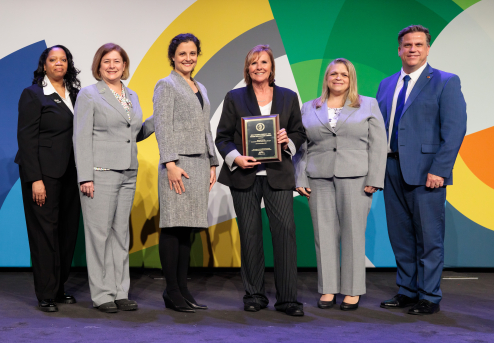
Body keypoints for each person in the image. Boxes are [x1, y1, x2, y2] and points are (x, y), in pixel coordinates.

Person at [376, 25, 467, 315]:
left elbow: (454, 130)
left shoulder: (445, 81)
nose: (412, 49)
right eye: (407, 45)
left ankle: (429, 295)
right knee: (400, 236)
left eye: (418, 44)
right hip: (390, 168)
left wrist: (440, 169)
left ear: (427, 48)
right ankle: (406, 290)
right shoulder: (386, 84)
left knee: (428, 238)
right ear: (399, 49)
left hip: (428, 172)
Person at [215, 45, 306, 316]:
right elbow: (222, 137)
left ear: (271, 67)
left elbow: (299, 133)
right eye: (253, 62)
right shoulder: (235, 97)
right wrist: (236, 158)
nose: (259, 67)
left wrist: (286, 141)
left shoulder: (288, 97)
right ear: (247, 68)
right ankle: (254, 294)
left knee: (285, 235)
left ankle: (288, 298)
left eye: (263, 62)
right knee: (250, 235)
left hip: (278, 174)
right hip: (245, 175)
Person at [294, 58, 387, 311]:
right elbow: (302, 147)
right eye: (333, 73)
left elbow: (379, 145)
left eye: (343, 75)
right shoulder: (309, 107)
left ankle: (352, 291)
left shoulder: (368, 104)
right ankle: (328, 289)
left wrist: (375, 179)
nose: (338, 78)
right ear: (326, 78)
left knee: (354, 235)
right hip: (318, 178)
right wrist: (300, 177)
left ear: (351, 78)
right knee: (323, 236)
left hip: (356, 177)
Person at [73, 43, 155, 313]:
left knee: (120, 235)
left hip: (128, 171)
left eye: (117, 61)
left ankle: (121, 291)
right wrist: (85, 176)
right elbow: (81, 138)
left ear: (124, 65)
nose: (112, 65)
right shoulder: (89, 94)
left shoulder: (131, 94)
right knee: (99, 236)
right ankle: (102, 294)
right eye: (106, 61)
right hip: (100, 173)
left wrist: (159, 119)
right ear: (99, 65)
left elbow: (133, 133)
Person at [153, 33, 218, 313]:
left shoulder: (200, 86)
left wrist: (213, 161)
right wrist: (170, 164)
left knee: (187, 231)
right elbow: (163, 126)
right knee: (173, 227)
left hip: (200, 164)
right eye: (182, 54)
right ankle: (171, 291)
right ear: (173, 57)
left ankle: (183, 289)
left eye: (192, 53)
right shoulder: (166, 85)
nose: (188, 58)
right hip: (178, 165)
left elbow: (205, 128)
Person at [15, 45, 81, 312]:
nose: (58, 63)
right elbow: (27, 139)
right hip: (43, 175)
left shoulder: (77, 95)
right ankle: (45, 292)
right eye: (53, 59)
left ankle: (59, 287)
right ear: (44, 65)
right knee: (44, 234)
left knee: (67, 233)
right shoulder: (33, 94)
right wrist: (35, 180)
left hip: (71, 174)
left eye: (63, 60)